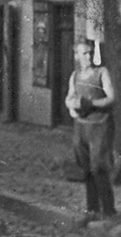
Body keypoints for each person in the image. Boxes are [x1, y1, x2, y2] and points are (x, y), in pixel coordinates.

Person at [65, 40, 116, 221]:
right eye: (84, 53)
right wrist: (73, 105)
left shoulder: (101, 72)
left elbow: (111, 98)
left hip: (100, 125)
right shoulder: (75, 75)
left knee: (98, 166)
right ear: (77, 56)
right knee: (86, 167)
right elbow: (70, 97)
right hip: (81, 126)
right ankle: (92, 209)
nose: (88, 56)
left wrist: (91, 103)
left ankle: (109, 210)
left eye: (90, 52)